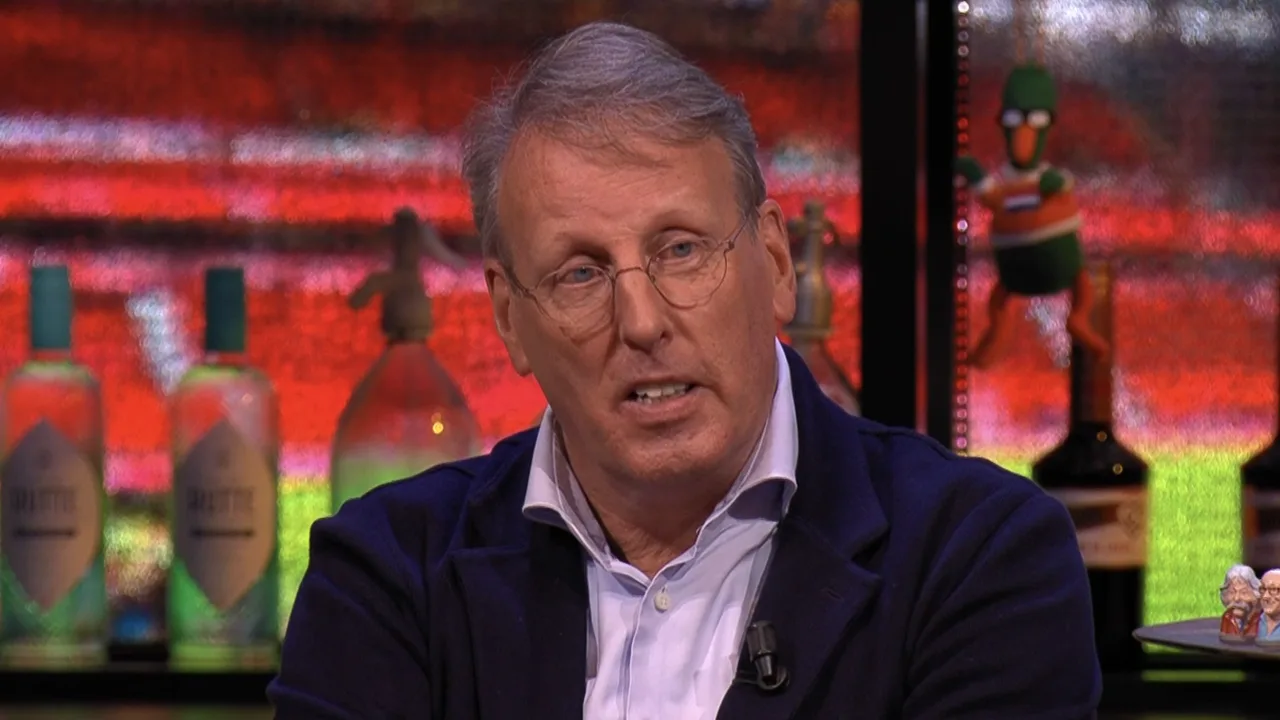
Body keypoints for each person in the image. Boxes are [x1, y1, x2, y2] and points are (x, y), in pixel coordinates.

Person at [269, 21, 1100, 719]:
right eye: (580, 273)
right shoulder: (385, 579)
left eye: (681, 250)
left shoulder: (980, 559)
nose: (641, 322)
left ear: (775, 262)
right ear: (510, 317)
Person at [1218, 564, 1261, 643]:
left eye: (1244, 593)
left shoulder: (1262, 621)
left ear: (1256, 594)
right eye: (1232, 592)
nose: (1236, 598)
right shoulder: (1227, 618)